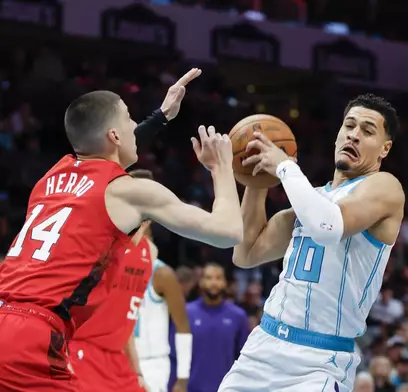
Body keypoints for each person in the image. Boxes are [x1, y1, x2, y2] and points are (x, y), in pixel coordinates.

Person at [0, 69, 243, 391]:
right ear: (114, 135)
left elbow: (103, 153)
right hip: (32, 336)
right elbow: (228, 232)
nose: (133, 125)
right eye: (129, 118)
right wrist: (222, 168)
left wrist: (161, 116)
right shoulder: (130, 192)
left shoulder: (51, 178)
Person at [219, 94, 405, 392]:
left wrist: (284, 167)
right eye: (349, 126)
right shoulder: (310, 199)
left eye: (368, 131)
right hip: (262, 347)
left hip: (318, 362)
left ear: (385, 148)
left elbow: (328, 226)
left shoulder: (386, 188)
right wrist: (257, 181)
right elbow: (246, 253)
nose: (354, 135)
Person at [69, 222, 153, 392]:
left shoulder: (150, 251)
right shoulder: (97, 241)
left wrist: (137, 372)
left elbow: (127, 317)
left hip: (117, 358)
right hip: (82, 351)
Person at [129, 169, 192, 392]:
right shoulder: (109, 264)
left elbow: (183, 326)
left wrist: (182, 379)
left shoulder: (162, 274)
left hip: (152, 365)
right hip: (115, 361)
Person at [186, 263, 249, 391]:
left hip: (227, 388)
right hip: (192, 388)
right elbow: (175, 355)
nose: (214, 283)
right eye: (209, 278)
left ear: (225, 283)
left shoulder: (238, 316)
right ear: (201, 282)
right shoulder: (187, 313)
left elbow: (244, 358)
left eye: (218, 278)